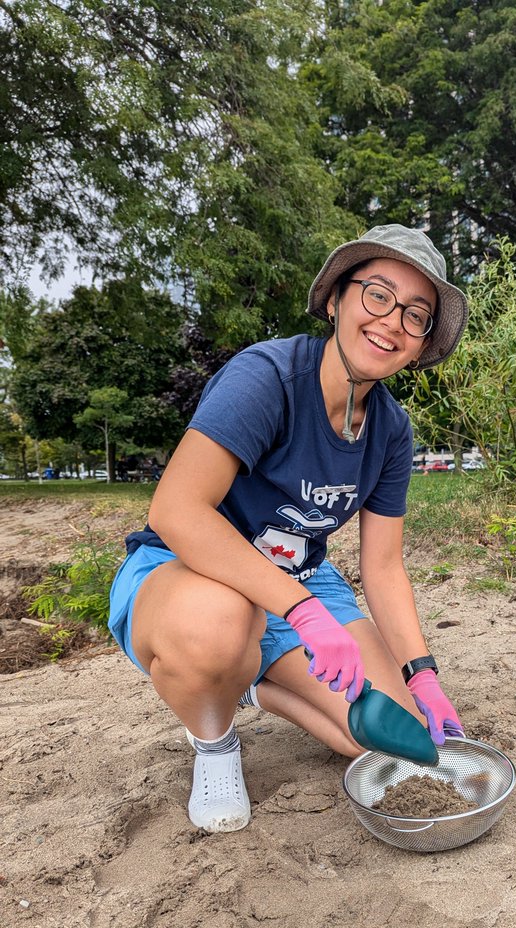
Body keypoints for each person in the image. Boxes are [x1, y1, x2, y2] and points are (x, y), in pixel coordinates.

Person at [107, 225, 468, 834]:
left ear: (422, 342)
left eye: (416, 314)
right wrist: (302, 613)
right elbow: (178, 511)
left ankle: (253, 685)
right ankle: (216, 740)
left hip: (298, 580)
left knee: (387, 745)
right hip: (190, 570)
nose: (391, 322)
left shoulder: (391, 430)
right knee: (219, 625)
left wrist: (423, 676)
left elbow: (382, 567)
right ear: (336, 299)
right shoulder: (268, 378)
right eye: (377, 294)